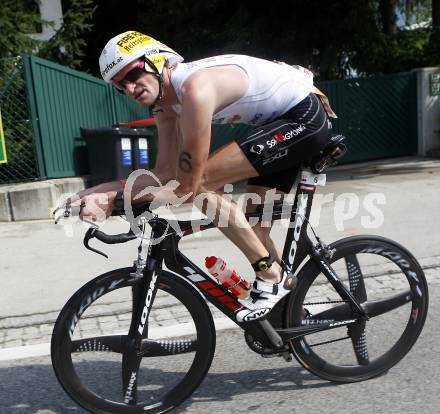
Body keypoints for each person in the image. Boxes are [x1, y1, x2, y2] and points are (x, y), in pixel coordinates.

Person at [76, 30, 336, 322]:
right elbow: (162, 174)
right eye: (120, 85)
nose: (130, 87)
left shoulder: (195, 89)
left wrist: (115, 200)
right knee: (254, 229)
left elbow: (186, 187)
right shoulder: (165, 105)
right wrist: (97, 191)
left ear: (156, 61)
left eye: (133, 74)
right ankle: (290, 313)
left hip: (303, 119)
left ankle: (272, 277)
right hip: (280, 124)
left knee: (200, 185)